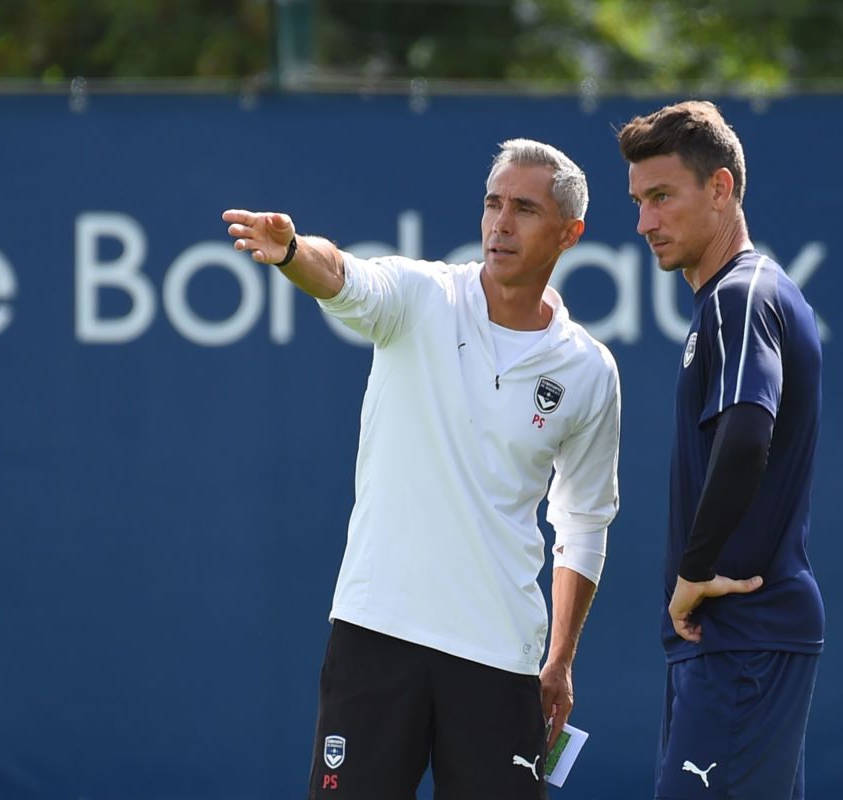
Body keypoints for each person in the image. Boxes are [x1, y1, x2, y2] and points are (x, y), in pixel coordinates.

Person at [222, 139, 620, 800]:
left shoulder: (587, 369)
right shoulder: (420, 296)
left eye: (524, 209)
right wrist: (293, 251)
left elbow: (584, 518)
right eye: (493, 204)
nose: (501, 223)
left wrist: (561, 660)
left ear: (569, 233)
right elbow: (345, 277)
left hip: (501, 656)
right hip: (379, 633)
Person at [617, 101, 825, 799]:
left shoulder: (742, 295)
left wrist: (693, 570)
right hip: (737, 643)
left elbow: (746, 436)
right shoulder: (729, 301)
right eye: (639, 202)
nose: (645, 223)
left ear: (721, 189)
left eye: (662, 197)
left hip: (740, 639)